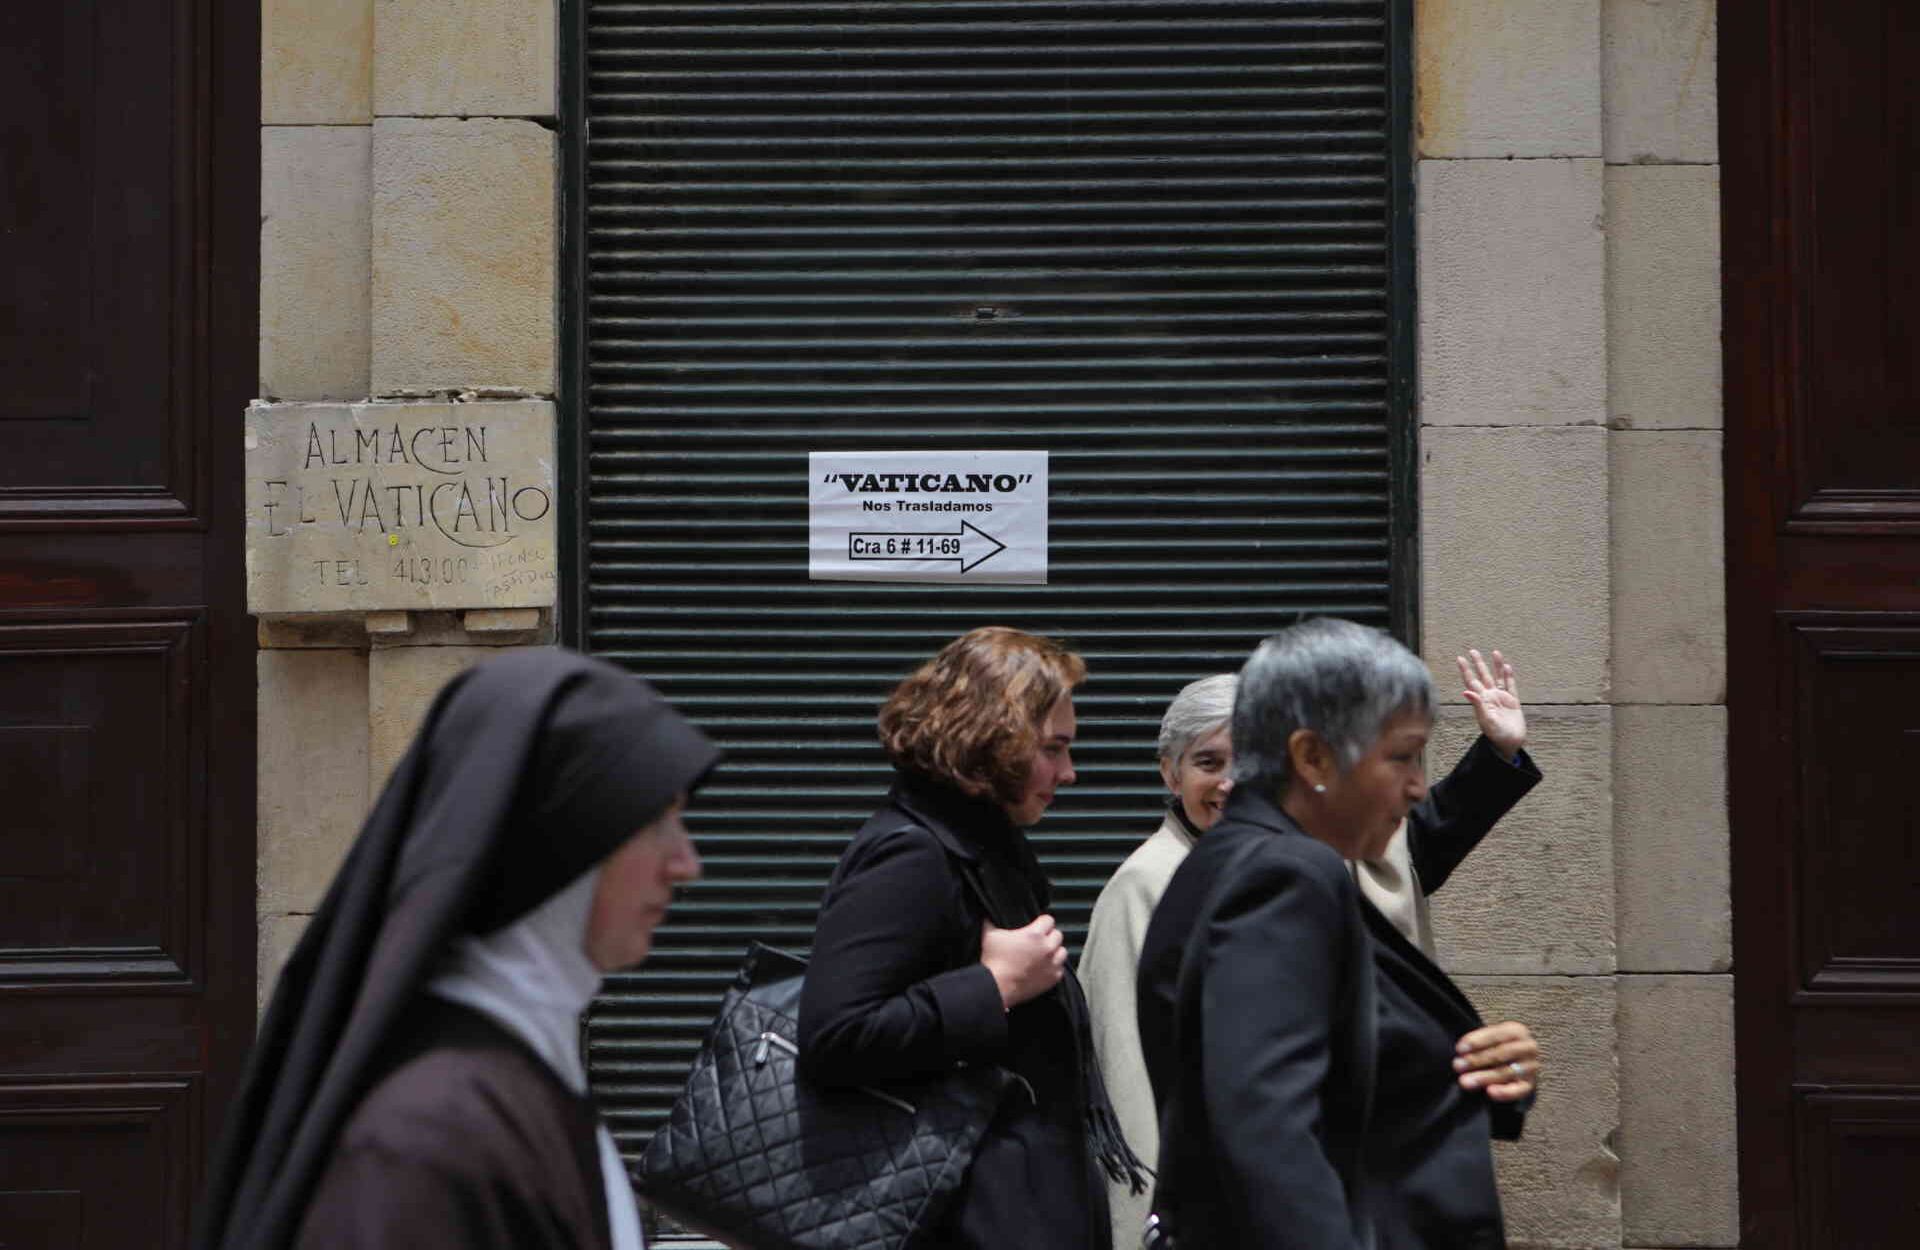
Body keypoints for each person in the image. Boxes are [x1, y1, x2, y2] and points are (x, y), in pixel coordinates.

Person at [192, 650, 721, 1250]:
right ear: (562, 850)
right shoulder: (424, 1141)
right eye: (655, 823)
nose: (686, 864)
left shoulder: (519, 1073)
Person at [1081, 652, 1538, 1248]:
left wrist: (1491, 1069)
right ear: (1170, 774)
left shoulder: (1318, 854)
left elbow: (1417, 840)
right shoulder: (1151, 883)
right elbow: (1137, 1077)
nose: (1230, 782)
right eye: (1208, 763)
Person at [798, 626, 1144, 1250]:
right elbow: (835, 1036)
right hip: (962, 1217)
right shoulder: (913, 854)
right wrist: (993, 985)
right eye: (1054, 749)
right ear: (995, 739)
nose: (1069, 773)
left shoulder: (982, 848)